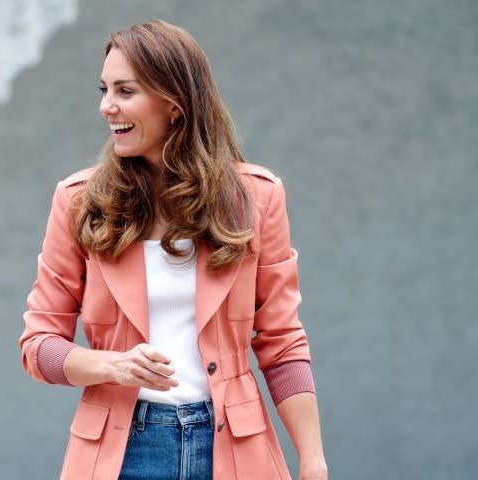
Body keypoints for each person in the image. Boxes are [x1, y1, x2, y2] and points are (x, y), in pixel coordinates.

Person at [19, 19, 327, 480]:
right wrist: (112, 364)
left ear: (174, 104)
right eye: (104, 89)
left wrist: (313, 460)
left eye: (125, 91)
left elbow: (282, 343)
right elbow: (37, 345)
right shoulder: (80, 202)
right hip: (123, 451)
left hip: (232, 445)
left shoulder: (256, 198)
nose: (107, 106)